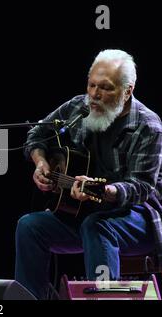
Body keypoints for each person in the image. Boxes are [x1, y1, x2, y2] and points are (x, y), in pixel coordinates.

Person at [15, 49, 162, 299]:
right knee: (29, 226)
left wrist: (104, 191)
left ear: (128, 91)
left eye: (105, 88)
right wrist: (40, 162)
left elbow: (141, 188)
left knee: (97, 226)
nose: (94, 95)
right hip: (85, 215)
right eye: (91, 85)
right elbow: (37, 134)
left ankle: (104, 298)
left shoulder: (148, 125)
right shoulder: (78, 107)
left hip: (139, 218)